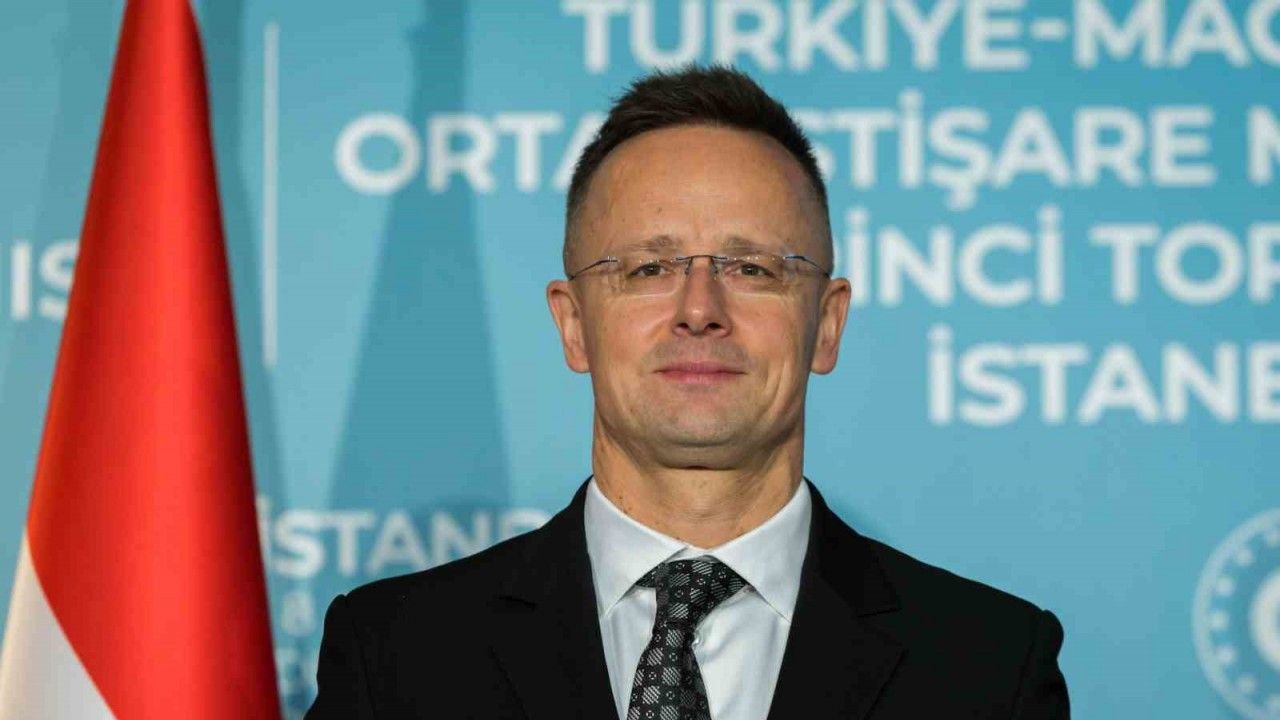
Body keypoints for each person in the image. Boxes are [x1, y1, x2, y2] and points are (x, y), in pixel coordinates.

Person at [306, 65, 1069, 719]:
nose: (700, 309)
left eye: (752, 269)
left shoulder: (991, 666)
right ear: (574, 326)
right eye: (648, 268)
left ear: (827, 325)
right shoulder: (394, 655)